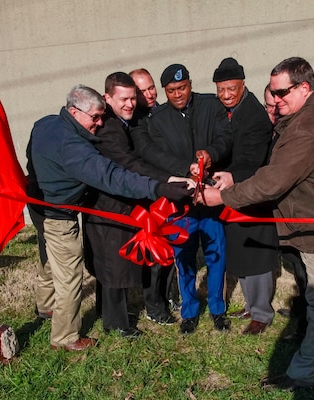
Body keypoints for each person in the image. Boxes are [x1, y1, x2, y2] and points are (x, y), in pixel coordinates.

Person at [199, 57, 314, 390]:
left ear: (304, 87)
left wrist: (223, 197)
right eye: (272, 92)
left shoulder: (306, 129)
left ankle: (303, 374)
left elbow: (271, 182)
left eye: (281, 93)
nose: (274, 100)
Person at [26, 84, 192, 351]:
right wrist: (158, 188)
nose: (100, 123)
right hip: (59, 214)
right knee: (69, 274)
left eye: (102, 116)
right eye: (95, 117)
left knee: (51, 259)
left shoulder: (46, 124)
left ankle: (46, 308)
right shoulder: (74, 148)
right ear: (74, 111)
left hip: (38, 205)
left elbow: (32, 148)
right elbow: (113, 177)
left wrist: (37, 178)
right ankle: (65, 337)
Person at [133, 64, 233, 334]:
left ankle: (217, 309)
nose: (178, 94)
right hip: (181, 201)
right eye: (171, 90)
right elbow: (154, 154)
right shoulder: (159, 119)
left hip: (210, 197)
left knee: (216, 255)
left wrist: (211, 152)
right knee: (184, 257)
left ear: (190, 84)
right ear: (165, 92)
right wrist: (183, 168)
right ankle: (189, 310)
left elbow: (226, 137)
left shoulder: (211, 106)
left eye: (182, 88)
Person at [84, 73, 186, 338]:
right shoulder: (108, 128)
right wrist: (168, 180)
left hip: (121, 203)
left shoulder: (123, 122)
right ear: (107, 98)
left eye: (133, 98)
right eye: (124, 99)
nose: (130, 104)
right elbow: (129, 163)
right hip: (109, 205)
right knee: (113, 265)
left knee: (113, 261)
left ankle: (107, 312)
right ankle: (117, 324)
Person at [210, 58, 279, 335]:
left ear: (243, 85)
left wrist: (231, 176)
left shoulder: (253, 115)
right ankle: (251, 305)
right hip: (234, 194)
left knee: (257, 255)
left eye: (232, 89)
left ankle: (263, 313)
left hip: (253, 194)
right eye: (221, 90)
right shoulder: (225, 111)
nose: (226, 95)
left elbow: (254, 160)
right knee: (241, 250)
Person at [129, 68, 181, 315]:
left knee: (171, 247)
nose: (149, 94)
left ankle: (169, 294)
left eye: (151, 87)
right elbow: (146, 154)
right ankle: (154, 305)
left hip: (172, 189)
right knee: (154, 252)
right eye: (141, 90)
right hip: (152, 192)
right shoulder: (135, 121)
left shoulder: (163, 110)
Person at [264, 84, 308, 340]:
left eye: (277, 107)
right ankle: (302, 310)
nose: (274, 112)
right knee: (295, 263)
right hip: (282, 215)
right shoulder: (271, 130)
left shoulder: (295, 131)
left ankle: (307, 324)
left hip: (298, 212)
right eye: (269, 107)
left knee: (305, 270)